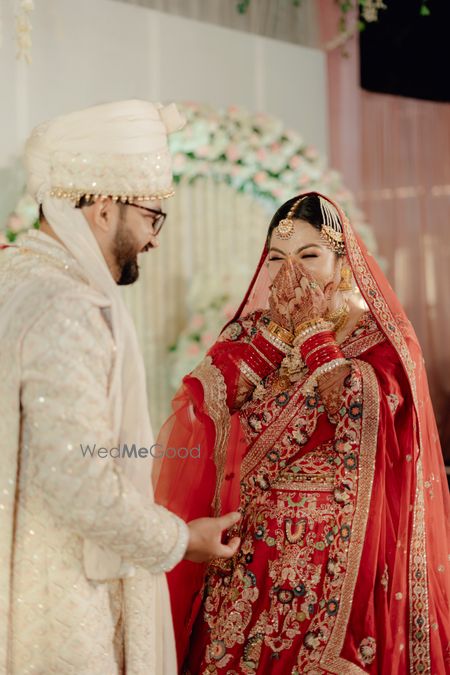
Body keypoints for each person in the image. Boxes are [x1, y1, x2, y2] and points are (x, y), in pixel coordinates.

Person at [154, 192, 449, 674]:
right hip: (246, 553)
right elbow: (204, 405)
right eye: (276, 258)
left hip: (338, 560)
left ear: (342, 262)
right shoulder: (251, 333)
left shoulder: (381, 340)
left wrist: (312, 333)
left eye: (308, 255)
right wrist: (273, 339)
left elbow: (365, 415)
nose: (290, 271)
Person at [0, 100, 240, 675]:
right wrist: (180, 541)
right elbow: (80, 482)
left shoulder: (14, 278)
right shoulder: (68, 306)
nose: (155, 240)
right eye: (153, 217)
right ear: (104, 209)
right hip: (60, 595)